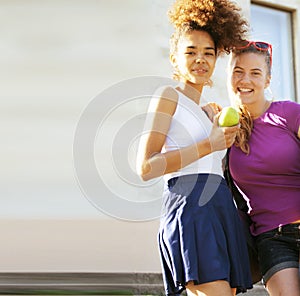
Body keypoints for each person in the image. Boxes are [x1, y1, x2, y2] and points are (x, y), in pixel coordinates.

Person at [136, 0, 253, 295]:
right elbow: (146, 167)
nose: (200, 59)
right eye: (191, 52)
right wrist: (208, 144)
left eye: (208, 53)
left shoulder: (209, 110)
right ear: (175, 58)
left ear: (217, 59)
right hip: (191, 206)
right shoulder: (168, 96)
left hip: (220, 208)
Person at [227, 40, 300, 296]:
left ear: (267, 80)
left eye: (255, 73)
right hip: (272, 238)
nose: (245, 79)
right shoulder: (224, 131)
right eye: (238, 71)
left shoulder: (289, 113)